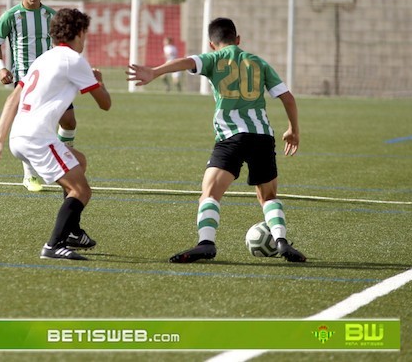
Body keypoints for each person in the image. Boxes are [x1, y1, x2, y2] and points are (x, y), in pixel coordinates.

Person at [126, 17, 306, 263]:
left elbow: (186, 61)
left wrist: (155, 72)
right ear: (238, 40)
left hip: (231, 137)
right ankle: (282, 241)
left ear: (212, 44)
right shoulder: (258, 62)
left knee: (209, 193)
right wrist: (293, 130)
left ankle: (206, 243)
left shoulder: (213, 58)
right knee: (268, 196)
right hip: (263, 136)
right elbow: (288, 98)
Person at [0, 8, 111, 260]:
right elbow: (105, 104)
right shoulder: (74, 60)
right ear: (79, 33)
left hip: (19, 136)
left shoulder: (42, 59)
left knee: (79, 161)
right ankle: (53, 245)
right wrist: (99, 81)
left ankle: (73, 232)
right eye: (85, 34)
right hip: (37, 139)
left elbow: (12, 98)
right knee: (82, 192)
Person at [0, 0, 78, 192]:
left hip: (53, 76)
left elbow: (63, 44)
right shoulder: (11, 16)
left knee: (68, 121)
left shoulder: (51, 15)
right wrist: (1, 68)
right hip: (25, 78)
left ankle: (62, 163)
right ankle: (29, 175)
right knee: (30, 126)